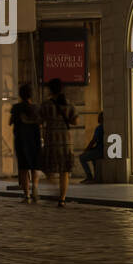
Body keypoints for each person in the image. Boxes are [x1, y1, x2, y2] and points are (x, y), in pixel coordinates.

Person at [40, 78, 78, 206]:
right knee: (64, 171)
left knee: (47, 168)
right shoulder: (68, 104)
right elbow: (76, 121)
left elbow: (39, 120)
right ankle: (62, 198)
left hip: (51, 140)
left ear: (50, 89)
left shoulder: (46, 105)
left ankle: (54, 188)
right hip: (65, 141)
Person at [10, 83, 42, 201]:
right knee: (35, 166)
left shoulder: (16, 108)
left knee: (23, 168)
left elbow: (10, 121)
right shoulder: (37, 108)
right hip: (35, 140)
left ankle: (26, 195)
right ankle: (35, 188)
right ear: (31, 95)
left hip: (21, 140)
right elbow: (41, 122)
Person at [78, 112, 105, 184]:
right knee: (93, 157)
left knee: (82, 157)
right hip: (104, 150)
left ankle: (89, 176)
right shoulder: (107, 127)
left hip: (100, 151)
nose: (97, 118)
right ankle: (96, 177)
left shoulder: (99, 128)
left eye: (99, 117)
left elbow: (93, 141)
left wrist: (86, 149)